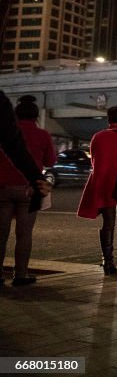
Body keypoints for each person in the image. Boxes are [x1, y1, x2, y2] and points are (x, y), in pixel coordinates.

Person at [0, 95, 56, 287]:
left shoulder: (5, 130)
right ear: (35, 116)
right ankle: (21, 274)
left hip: (2, 187)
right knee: (24, 234)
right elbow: (50, 161)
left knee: (1, 233)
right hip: (29, 188)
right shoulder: (42, 135)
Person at [77, 106, 117, 275]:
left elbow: (94, 161)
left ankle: (108, 262)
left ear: (109, 119)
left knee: (108, 224)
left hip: (106, 183)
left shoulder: (98, 137)